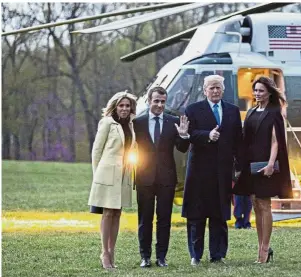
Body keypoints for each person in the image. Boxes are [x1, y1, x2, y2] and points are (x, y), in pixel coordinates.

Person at [182, 75, 243, 266]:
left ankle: (218, 255)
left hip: (222, 172)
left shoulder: (233, 111)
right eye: (211, 88)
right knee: (197, 215)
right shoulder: (192, 110)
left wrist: (240, 166)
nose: (215, 91)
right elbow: (188, 134)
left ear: (223, 90)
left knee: (219, 215)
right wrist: (207, 135)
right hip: (199, 172)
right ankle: (196, 255)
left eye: (218, 88)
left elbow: (238, 141)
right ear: (204, 90)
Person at [233, 76, 293, 264]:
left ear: (269, 92)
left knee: (264, 205)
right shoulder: (250, 112)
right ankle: (261, 247)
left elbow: (276, 141)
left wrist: (270, 164)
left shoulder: (275, 112)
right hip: (251, 166)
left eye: (261, 90)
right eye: (255, 90)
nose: (257, 94)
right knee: (256, 205)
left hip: (266, 166)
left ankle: (265, 249)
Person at [133, 86, 190, 268]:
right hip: (144, 177)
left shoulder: (173, 121)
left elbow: (182, 148)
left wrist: (184, 135)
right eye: (156, 101)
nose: (159, 105)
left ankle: (161, 257)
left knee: (164, 219)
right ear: (149, 100)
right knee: (145, 219)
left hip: (166, 178)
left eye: (163, 102)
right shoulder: (138, 122)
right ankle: (145, 257)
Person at [88, 91, 138, 269]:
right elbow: (96, 150)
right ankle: (104, 253)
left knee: (117, 213)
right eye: (121, 105)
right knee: (108, 213)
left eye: (127, 105)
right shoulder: (107, 123)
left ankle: (112, 250)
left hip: (124, 174)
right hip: (107, 174)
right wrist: (97, 176)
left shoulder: (132, 125)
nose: (124, 108)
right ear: (115, 107)